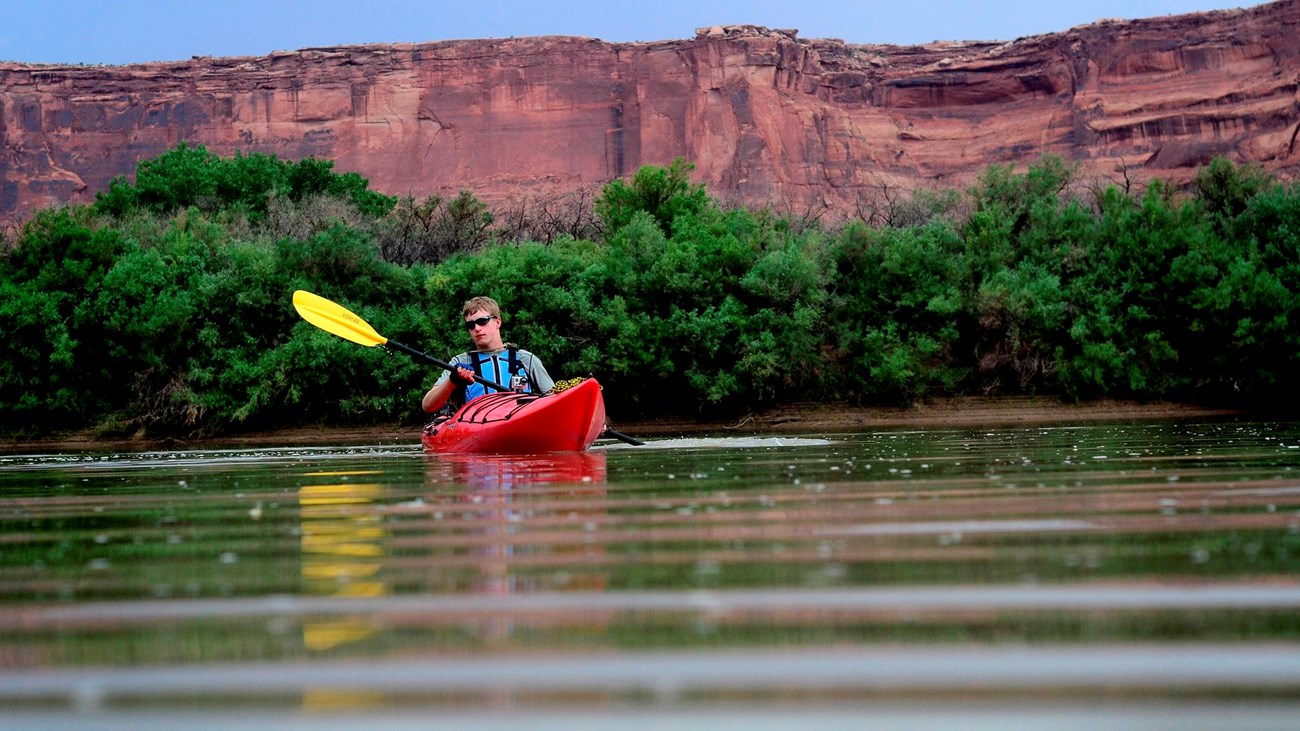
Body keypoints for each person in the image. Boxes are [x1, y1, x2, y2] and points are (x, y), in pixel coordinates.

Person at [421, 296, 555, 415]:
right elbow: (427, 406)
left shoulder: (526, 359)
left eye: (483, 321)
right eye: (471, 324)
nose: (477, 328)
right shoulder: (460, 362)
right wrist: (453, 380)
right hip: (476, 430)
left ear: (498, 322)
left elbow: (554, 398)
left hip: (521, 422)